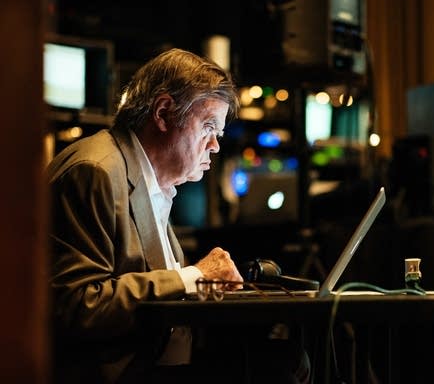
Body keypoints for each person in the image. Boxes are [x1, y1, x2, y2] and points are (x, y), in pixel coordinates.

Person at [47, 48, 310, 384]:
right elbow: (77, 304)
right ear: (163, 112)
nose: (215, 145)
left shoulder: (151, 181)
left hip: (156, 363)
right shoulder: (95, 170)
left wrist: (205, 287)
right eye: (208, 127)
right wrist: (192, 277)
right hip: (120, 372)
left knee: (288, 357)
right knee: (281, 369)